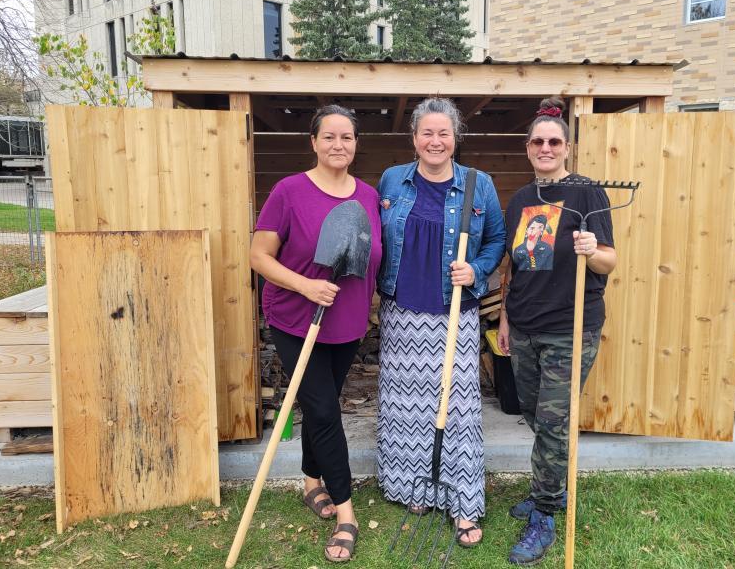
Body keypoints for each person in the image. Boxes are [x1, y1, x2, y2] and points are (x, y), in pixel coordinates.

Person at [249, 105, 382, 563]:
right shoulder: (289, 191)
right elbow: (259, 256)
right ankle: (347, 514)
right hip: (294, 317)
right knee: (325, 411)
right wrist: (305, 284)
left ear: (356, 144)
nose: (338, 145)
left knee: (318, 403)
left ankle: (311, 481)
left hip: (345, 323)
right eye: (329, 137)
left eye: (346, 137)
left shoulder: (367, 195)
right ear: (314, 141)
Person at [376, 97, 505, 547]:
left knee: (459, 407)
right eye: (427, 133)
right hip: (402, 312)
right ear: (414, 138)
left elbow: (497, 238)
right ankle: (418, 486)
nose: (435, 141)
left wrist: (478, 271)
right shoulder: (393, 180)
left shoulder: (478, 185)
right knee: (406, 407)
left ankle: (463, 502)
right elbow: (377, 238)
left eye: (443, 133)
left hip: (454, 313)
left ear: (455, 139)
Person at [497, 97, 616, 565]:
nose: (545, 147)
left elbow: (610, 261)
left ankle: (545, 512)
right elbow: (515, 268)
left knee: (552, 423)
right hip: (523, 325)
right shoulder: (522, 200)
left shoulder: (587, 194)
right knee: (530, 411)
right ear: (528, 148)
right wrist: (505, 319)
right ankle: (550, 488)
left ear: (566, 148)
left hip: (570, 327)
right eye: (538, 141)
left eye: (554, 141)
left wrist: (592, 247)